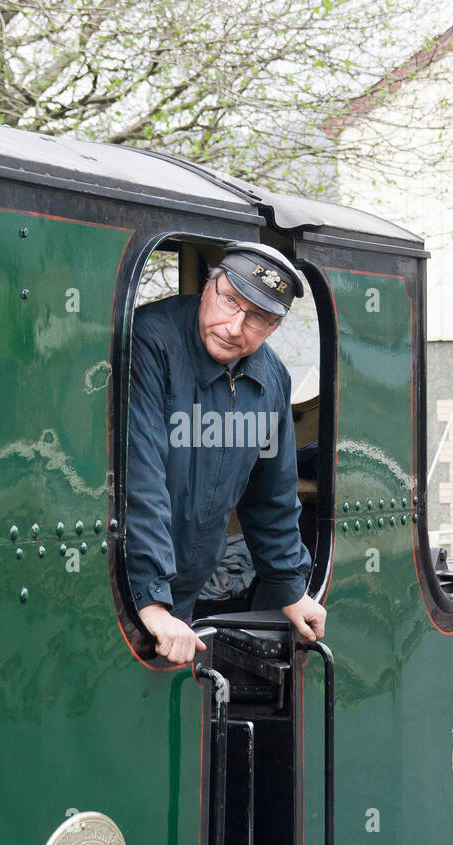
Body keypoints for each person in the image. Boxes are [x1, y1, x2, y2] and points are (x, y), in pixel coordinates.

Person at [126, 242, 327, 664]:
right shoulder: (151, 341)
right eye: (230, 301)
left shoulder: (271, 380)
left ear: (275, 327)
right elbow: (139, 476)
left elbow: (271, 497)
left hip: (180, 599)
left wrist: (292, 591)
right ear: (208, 287)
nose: (235, 327)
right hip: (123, 594)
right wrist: (149, 601)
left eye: (258, 318)